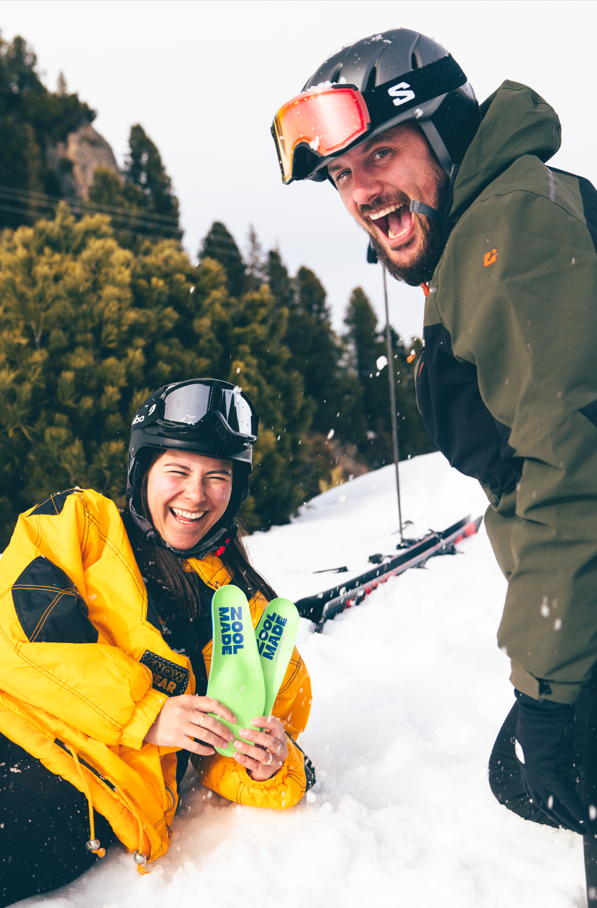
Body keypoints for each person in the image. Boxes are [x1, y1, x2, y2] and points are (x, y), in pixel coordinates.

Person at [271, 25, 597, 901]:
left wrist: (550, 688)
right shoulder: (482, 233)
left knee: (555, 759)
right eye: (341, 175)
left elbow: (572, 470)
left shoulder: (508, 231)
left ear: (447, 133)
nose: (361, 190)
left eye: (381, 153)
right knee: (520, 773)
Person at [0, 377, 314, 908]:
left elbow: (236, 745)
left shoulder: (246, 615)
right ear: (144, 471)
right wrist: (147, 714)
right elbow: (19, 636)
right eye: (177, 471)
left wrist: (265, 764)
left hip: (89, 785)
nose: (195, 495)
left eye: (216, 477)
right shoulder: (79, 522)